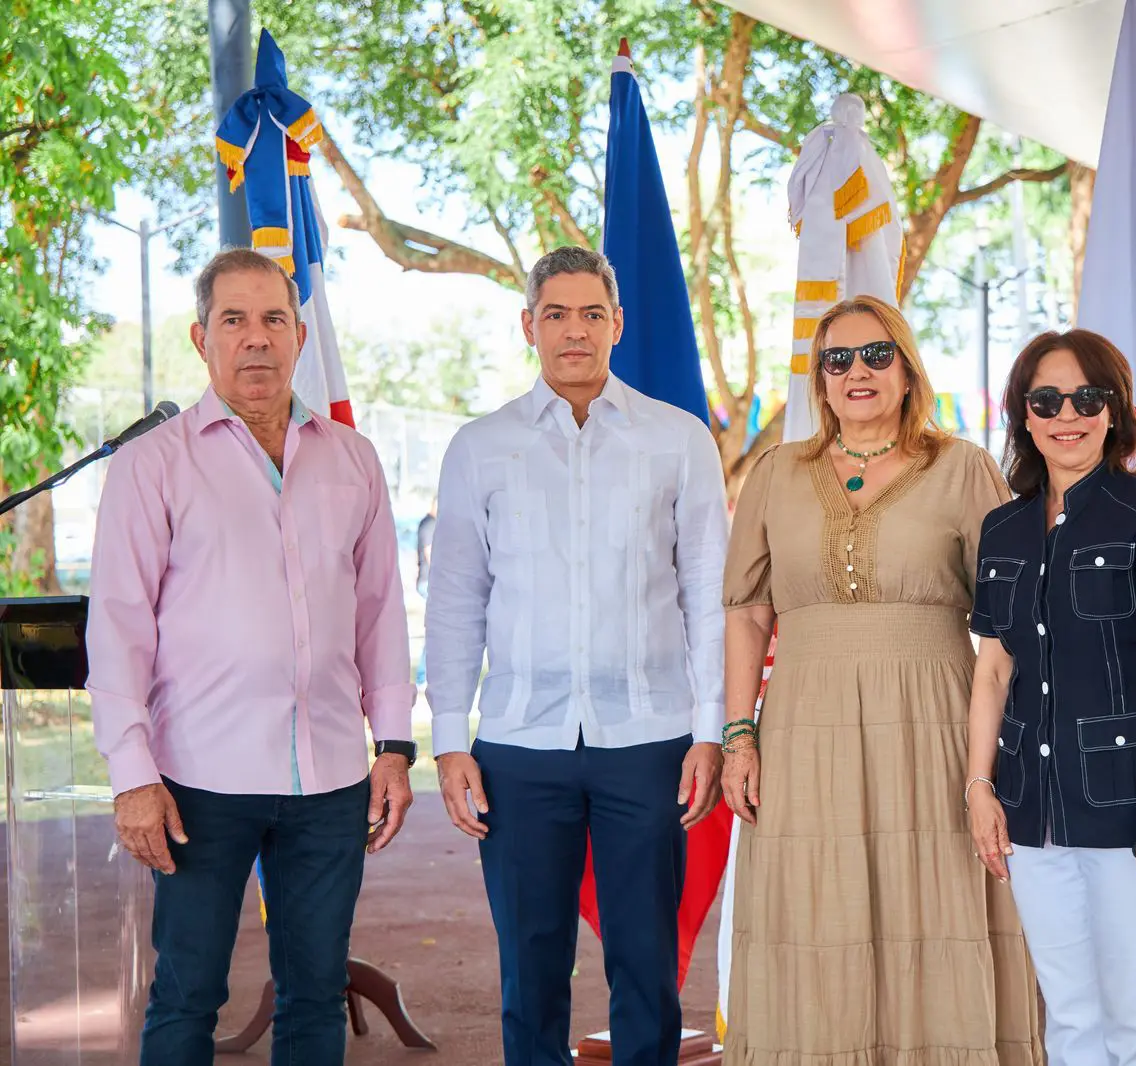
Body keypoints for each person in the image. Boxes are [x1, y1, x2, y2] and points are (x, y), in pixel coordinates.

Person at [86, 248, 417, 1066]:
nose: (256, 339)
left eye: (273, 319)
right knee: (188, 995)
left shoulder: (352, 459)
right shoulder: (151, 465)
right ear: (203, 339)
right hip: (199, 782)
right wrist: (132, 774)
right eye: (234, 320)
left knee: (314, 997)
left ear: (301, 335)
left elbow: (379, 614)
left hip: (332, 779)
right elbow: (118, 629)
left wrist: (398, 747)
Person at [424, 246, 727, 1066]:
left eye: (592, 313)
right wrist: (450, 739)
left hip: (651, 740)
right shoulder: (480, 448)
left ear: (617, 324)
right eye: (555, 313)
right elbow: (455, 601)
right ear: (529, 326)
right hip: (521, 746)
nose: (574, 331)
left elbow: (708, 595)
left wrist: (711, 731)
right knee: (530, 971)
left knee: (647, 970)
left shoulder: (679, 441)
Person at [720, 295, 1041, 1066]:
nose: (857, 372)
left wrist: (1004, 756)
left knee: (930, 896)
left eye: (875, 355)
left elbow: (1010, 624)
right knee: (813, 905)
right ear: (819, 381)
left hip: (934, 721)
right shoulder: (775, 471)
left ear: (906, 369)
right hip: (801, 724)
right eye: (838, 359)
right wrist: (738, 735)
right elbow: (746, 611)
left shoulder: (963, 466)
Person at [964, 329, 1136, 1065]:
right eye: (1046, 400)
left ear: (1115, 411)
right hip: (1031, 811)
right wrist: (980, 785)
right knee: (1069, 1021)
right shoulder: (1002, 527)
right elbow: (992, 672)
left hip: (1134, 810)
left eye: (1086, 397)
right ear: (1024, 416)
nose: (1066, 414)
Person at [415, 496, 437, 685]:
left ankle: (425, 675)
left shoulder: (426, 523)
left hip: (428, 581)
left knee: (435, 629)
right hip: (430, 582)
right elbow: (430, 553)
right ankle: (423, 675)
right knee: (435, 630)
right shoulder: (430, 524)